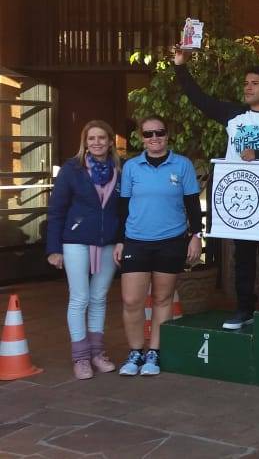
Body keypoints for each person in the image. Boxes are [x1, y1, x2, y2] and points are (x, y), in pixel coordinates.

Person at [172, 49, 259, 330]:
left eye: (254, 83)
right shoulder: (234, 114)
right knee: (242, 256)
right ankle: (244, 309)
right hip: (238, 198)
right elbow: (199, 98)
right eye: (246, 83)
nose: (248, 88)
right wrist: (180, 66)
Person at [115, 116, 203, 376]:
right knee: (131, 300)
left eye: (159, 132)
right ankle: (135, 352)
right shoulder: (131, 167)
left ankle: (154, 352)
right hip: (136, 240)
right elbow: (123, 206)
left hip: (171, 241)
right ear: (141, 138)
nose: (154, 138)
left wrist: (196, 235)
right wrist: (119, 240)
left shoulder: (182, 164)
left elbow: (192, 204)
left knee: (163, 299)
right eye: (148, 134)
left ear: (167, 135)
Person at [45, 120, 121, 380]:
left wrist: (121, 239)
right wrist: (54, 249)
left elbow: (124, 209)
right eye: (91, 138)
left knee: (99, 297)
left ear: (110, 141)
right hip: (75, 241)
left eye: (102, 138)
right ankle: (81, 358)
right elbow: (56, 211)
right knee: (80, 298)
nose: (97, 142)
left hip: (107, 243)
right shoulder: (72, 169)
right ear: (85, 143)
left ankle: (97, 353)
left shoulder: (119, 170)